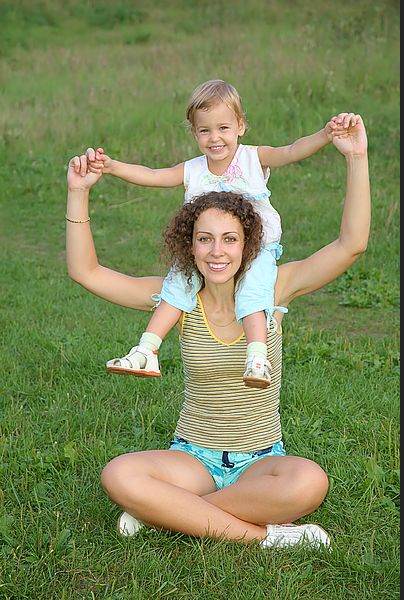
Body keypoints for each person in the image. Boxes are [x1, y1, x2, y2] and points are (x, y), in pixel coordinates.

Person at [66, 112, 369, 549]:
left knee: (308, 481)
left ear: (249, 244)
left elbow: (351, 244)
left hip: (262, 459)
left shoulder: (274, 291)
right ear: (189, 244)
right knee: (119, 473)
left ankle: (170, 512)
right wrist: (78, 193)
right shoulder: (178, 299)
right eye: (204, 239)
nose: (217, 251)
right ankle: (263, 537)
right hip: (192, 457)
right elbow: (87, 272)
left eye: (230, 239)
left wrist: (355, 157)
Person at [88, 79, 347, 389]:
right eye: (204, 130)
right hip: (207, 253)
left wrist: (326, 134)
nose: (215, 138)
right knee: (176, 285)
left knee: (253, 292)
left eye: (223, 128)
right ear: (194, 132)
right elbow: (153, 175)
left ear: (240, 126)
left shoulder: (253, 158)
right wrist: (113, 167)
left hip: (255, 249)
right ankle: (147, 349)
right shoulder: (193, 169)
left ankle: (257, 356)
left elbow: (291, 151)